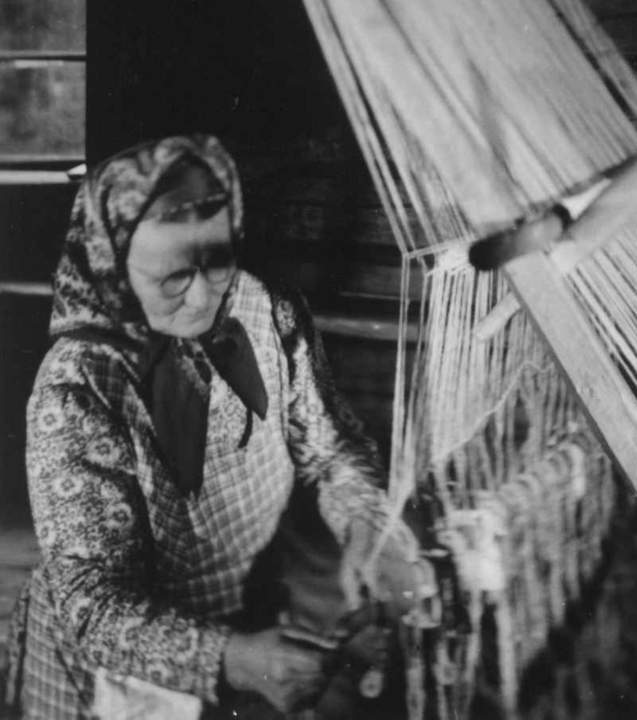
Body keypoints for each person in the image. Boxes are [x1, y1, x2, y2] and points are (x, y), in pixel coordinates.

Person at [1, 134, 431, 719]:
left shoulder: (268, 309)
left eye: (219, 259)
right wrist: (234, 658)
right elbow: (93, 604)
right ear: (114, 265)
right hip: (122, 670)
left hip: (248, 611)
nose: (205, 295)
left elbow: (329, 450)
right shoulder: (80, 385)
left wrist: (363, 525)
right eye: (172, 277)